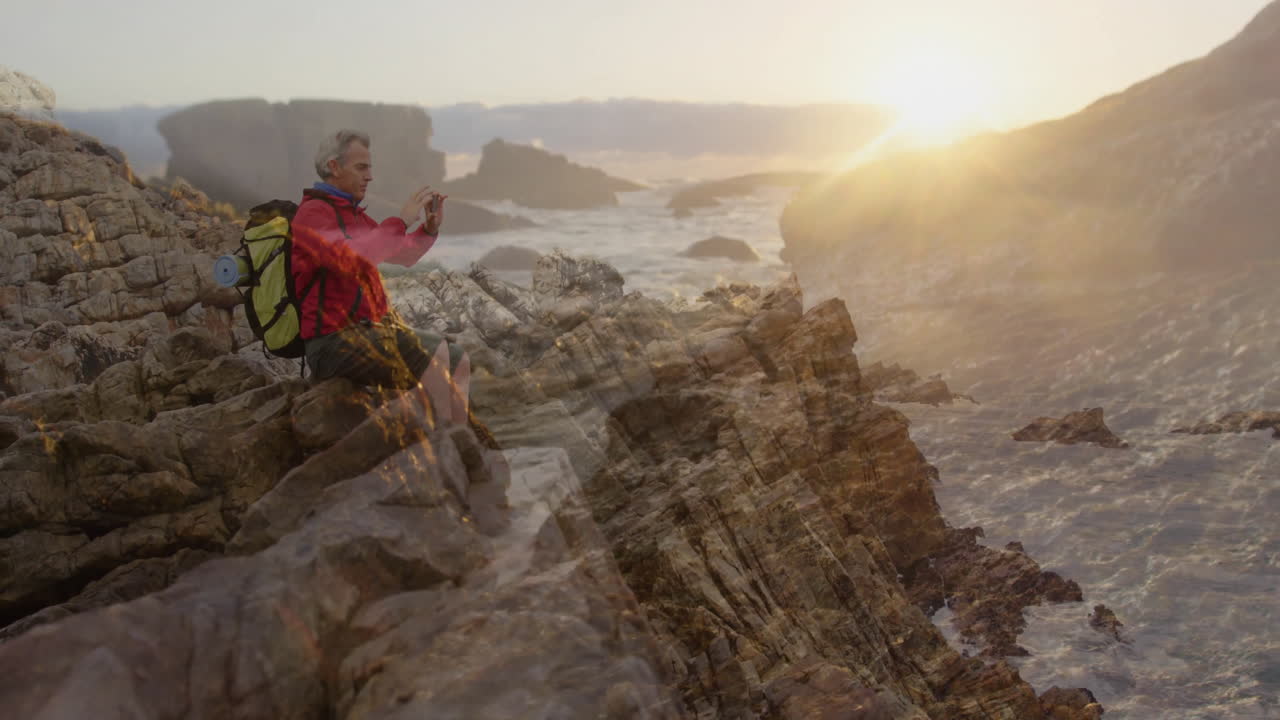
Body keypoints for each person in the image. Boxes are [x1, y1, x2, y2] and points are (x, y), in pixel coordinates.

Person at [290, 129, 470, 424]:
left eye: (370, 168)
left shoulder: (353, 214)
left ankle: (455, 440)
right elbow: (357, 258)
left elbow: (403, 253)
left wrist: (429, 228)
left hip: (365, 332)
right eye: (361, 167)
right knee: (442, 356)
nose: (370, 176)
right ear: (334, 167)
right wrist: (400, 220)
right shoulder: (312, 215)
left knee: (456, 355)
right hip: (333, 342)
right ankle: (449, 443)